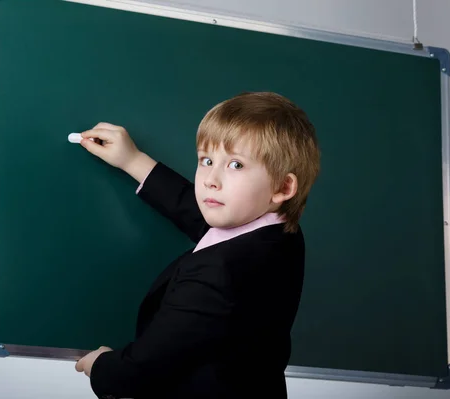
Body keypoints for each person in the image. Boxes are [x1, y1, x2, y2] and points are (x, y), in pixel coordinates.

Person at [74, 92, 321, 398]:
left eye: (236, 165)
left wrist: (100, 365)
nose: (210, 180)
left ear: (283, 187)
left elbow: (138, 374)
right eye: (207, 160)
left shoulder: (217, 273)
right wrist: (133, 161)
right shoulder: (280, 232)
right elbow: (198, 214)